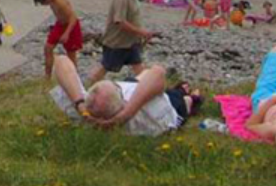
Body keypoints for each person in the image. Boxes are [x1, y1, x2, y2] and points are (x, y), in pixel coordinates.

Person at [49, 56, 201, 136]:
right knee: (184, 100)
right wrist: (126, 114)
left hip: (134, 87)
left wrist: (80, 105)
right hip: (168, 105)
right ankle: (187, 93)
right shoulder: (147, 119)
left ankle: (181, 89)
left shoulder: (89, 110)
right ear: (123, 103)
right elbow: (158, 72)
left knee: (144, 75)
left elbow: (61, 61)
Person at [88, 0, 158, 85]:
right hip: (117, 42)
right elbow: (119, 22)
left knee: (138, 65)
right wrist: (141, 32)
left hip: (130, 42)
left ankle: (146, 87)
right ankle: (89, 87)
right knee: (105, 67)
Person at [33, 0, 83, 78]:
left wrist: (66, 33)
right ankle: (47, 77)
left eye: (42, 2)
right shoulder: (51, 0)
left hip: (71, 27)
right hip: (59, 25)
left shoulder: (60, 2)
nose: (43, 5)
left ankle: (74, 78)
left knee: (71, 54)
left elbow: (73, 17)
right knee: (48, 48)